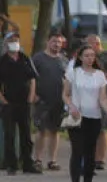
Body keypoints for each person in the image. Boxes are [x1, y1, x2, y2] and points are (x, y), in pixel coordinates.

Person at [63, 44, 107, 182]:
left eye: (92, 56)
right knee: (77, 150)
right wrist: (71, 106)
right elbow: (65, 94)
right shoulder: (73, 73)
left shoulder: (99, 75)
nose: (90, 58)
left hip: (94, 117)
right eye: (87, 55)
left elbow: (102, 98)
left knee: (90, 154)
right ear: (81, 57)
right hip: (77, 117)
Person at [0, 31, 38, 174]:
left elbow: (32, 78)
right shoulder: (2, 61)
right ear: (6, 43)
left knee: (26, 134)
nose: (14, 42)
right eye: (11, 40)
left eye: (16, 40)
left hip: (24, 102)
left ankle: (28, 163)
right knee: (9, 134)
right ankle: (11, 164)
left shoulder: (25, 58)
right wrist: (3, 100)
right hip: (8, 102)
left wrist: (31, 96)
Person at [32, 32, 68, 172]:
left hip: (59, 101)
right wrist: (33, 94)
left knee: (55, 131)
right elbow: (31, 78)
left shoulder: (64, 60)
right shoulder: (38, 58)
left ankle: (52, 160)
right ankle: (37, 159)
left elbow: (68, 80)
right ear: (48, 42)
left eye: (59, 42)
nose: (57, 44)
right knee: (41, 131)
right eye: (54, 41)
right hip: (42, 100)